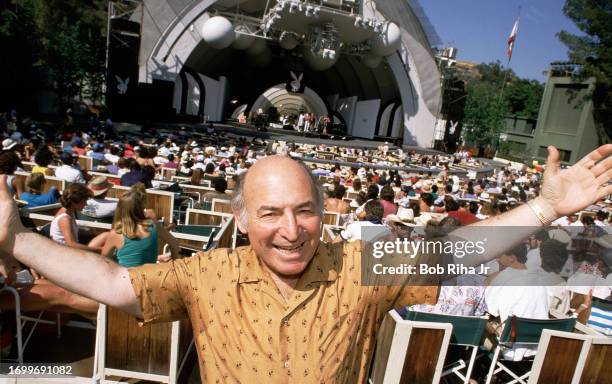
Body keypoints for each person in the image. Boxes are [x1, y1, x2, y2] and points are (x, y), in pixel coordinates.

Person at [0, 145, 611, 382]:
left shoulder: (361, 263)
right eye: (270, 213)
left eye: (304, 211)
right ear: (242, 219)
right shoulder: (206, 273)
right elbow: (110, 280)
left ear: (325, 210)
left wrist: (547, 205)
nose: (290, 231)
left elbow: (457, 250)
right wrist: (15, 239)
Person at [102, 183, 179, 267]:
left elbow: (103, 261)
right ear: (141, 208)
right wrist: (174, 265)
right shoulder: (153, 227)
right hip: (149, 276)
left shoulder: (116, 233)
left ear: (120, 209)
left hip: (125, 278)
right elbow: (174, 244)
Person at [50, 184, 107, 252]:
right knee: (106, 237)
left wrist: (93, 232)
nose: (86, 204)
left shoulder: (67, 211)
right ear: (75, 202)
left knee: (106, 235)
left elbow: (72, 231)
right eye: (84, 201)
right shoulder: (65, 219)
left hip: (68, 250)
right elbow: (72, 245)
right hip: (67, 253)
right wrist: (100, 249)